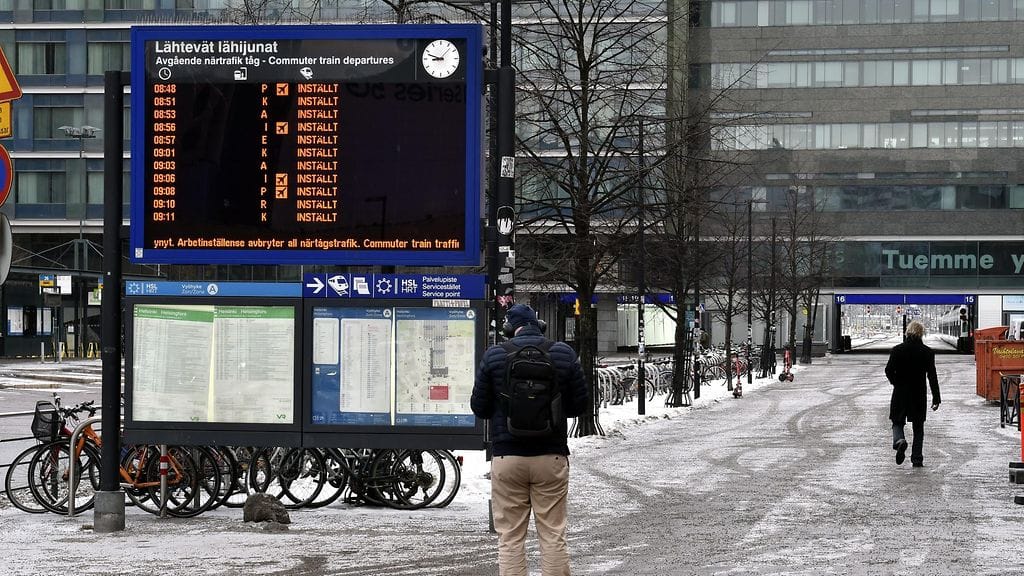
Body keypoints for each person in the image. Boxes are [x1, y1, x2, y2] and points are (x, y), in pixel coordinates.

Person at [471, 303, 589, 576]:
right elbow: (578, 405)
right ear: (539, 325)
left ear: (511, 329)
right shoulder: (563, 353)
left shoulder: (494, 356)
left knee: (510, 537)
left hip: (507, 456)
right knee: (552, 534)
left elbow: (479, 407)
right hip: (551, 456)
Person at [885, 320, 941, 467]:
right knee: (918, 427)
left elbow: (888, 370)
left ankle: (899, 441)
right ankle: (917, 458)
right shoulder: (927, 352)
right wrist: (936, 397)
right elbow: (932, 376)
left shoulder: (897, 350)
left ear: (907, 332)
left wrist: (896, 382)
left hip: (900, 393)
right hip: (918, 394)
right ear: (921, 334)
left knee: (897, 422)